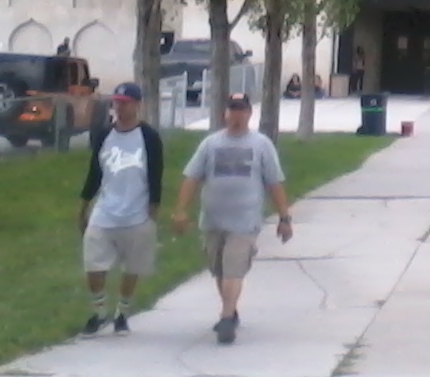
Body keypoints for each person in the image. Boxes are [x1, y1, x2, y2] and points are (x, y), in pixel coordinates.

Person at [171, 93, 293, 345]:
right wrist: (181, 211)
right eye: (232, 110)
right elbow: (192, 178)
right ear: (224, 114)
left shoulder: (261, 145)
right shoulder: (210, 144)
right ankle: (231, 310)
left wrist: (284, 217)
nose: (236, 115)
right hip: (213, 221)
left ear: (249, 114)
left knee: (233, 270)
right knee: (220, 270)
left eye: (241, 110)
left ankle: (226, 318)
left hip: (244, 222)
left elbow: (274, 182)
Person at [77, 82, 165, 337]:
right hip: (105, 210)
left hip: (137, 212)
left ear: (136, 105)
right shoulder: (104, 135)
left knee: (132, 267)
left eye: (125, 102)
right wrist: (83, 205)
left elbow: (155, 175)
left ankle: (122, 314)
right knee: (94, 263)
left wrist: (154, 208)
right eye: (116, 101)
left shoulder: (148, 137)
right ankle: (99, 312)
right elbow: (95, 172)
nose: (119, 106)